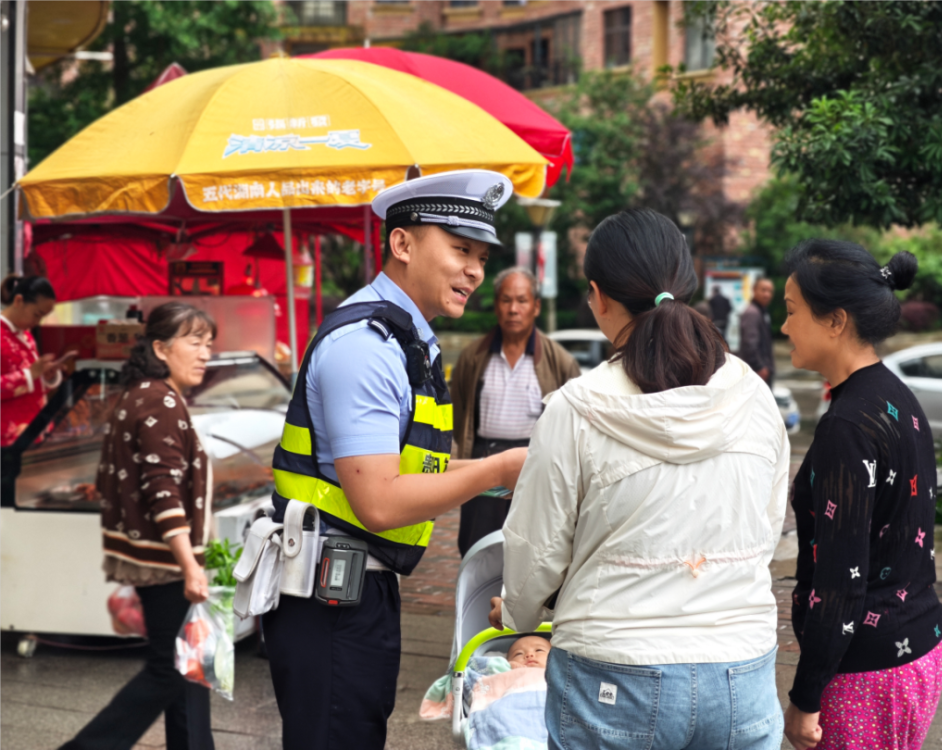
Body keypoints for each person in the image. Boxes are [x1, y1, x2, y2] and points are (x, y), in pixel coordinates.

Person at [489, 209, 790, 749]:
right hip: (740, 670)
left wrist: (519, 612)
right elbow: (766, 531)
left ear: (598, 296)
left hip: (612, 670)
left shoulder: (576, 409)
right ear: (686, 284)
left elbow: (536, 549)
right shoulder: (754, 397)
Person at [262, 170, 528, 750]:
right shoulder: (367, 346)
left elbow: (415, 474)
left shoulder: (406, 340)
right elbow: (380, 500)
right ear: (402, 244)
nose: (475, 271)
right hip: (329, 597)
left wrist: (506, 467)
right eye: (460, 249)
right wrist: (498, 470)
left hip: (354, 590)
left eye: (481, 256)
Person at [781, 241, 942, 750]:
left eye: (791, 312)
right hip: (921, 646)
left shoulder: (847, 426)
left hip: (867, 673)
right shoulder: (895, 395)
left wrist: (805, 698)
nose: (784, 327)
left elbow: (840, 582)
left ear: (835, 321)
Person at [60, 301, 216, 750]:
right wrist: (190, 565)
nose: (205, 353)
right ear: (161, 348)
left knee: (189, 667)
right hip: (164, 562)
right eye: (195, 342)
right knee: (171, 669)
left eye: (209, 344)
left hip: (158, 557)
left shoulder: (147, 393)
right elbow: (161, 487)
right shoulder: (159, 400)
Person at [450, 266, 580, 556]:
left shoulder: (559, 361)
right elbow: (459, 416)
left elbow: (573, 425)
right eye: (506, 300)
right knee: (478, 548)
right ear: (496, 305)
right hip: (482, 464)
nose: (513, 309)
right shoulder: (473, 358)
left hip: (535, 465)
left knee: (534, 550)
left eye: (521, 301)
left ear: (535, 306)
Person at [1, 274, 67, 446]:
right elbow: (28, 376)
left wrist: (46, 375)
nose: (38, 322)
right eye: (37, 314)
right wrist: (29, 375)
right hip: (7, 439)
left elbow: (33, 380)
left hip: (33, 432)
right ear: (18, 301)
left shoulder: (27, 335)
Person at [738, 277, 776, 386]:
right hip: (757, 372)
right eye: (763, 290)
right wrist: (759, 367)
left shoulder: (761, 311)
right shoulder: (752, 313)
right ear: (754, 290)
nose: (767, 294)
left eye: (769, 291)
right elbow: (749, 342)